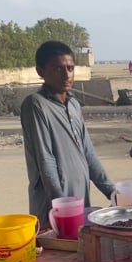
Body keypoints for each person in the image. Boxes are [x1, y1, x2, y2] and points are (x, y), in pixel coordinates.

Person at [20, 41, 115, 227]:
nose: (66, 75)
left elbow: (88, 153)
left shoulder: (73, 104)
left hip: (79, 195)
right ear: (41, 71)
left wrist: (112, 192)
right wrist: (62, 207)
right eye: (57, 68)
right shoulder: (36, 105)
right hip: (53, 201)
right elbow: (45, 159)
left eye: (70, 68)